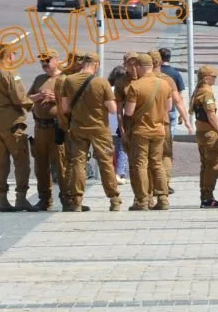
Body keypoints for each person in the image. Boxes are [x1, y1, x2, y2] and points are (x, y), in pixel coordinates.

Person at [56, 51, 121, 212]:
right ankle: (114, 199)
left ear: (83, 63)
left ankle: (76, 201)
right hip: (99, 129)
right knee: (105, 163)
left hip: (78, 127)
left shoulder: (69, 81)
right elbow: (112, 109)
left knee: (78, 163)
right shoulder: (101, 83)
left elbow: (64, 108)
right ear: (96, 65)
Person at [0, 37, 35, 211]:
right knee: (21, 161)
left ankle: (2, 199)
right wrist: (32, 104)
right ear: (10, 56)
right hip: (11, 123)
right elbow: (19, 97)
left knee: (1, 162)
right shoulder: (9, 72)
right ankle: (21, 198)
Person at [122, 52, 172, 210]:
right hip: (159, 129)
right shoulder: (164, 84)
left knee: (141, 165)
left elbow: (129, 112)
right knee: (157, 164)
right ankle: (163, 199)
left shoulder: (135, 86)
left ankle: (143, 201)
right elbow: (169, 108)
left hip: (141, 130)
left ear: (139, 67)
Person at [27, 51, 64, 213]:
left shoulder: (65, 79)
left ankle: (67, 199)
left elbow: (74, 102)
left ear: (57, 60)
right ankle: (44, 199)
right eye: (42, 62)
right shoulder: (39, 79)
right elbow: (27, 98)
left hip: (57, 128)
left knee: (62, 165)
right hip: (40, 128)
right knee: (41, 165)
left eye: (47, 61)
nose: (44, 64)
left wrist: (56, 99)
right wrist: (40, 95)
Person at [192, 65, 218, 208]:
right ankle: (208, 197)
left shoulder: (198, 91)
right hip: (209, 133)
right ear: (206, 78)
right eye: (214, 76)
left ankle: (205, 196)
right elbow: (211, 115)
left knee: (205, 165)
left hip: (200, 132)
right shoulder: (207, 93)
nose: (215, 79)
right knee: (213, 165)